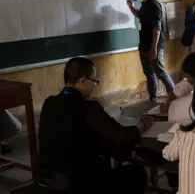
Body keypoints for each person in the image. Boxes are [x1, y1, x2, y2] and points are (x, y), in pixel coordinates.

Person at [35, 57, 151, 194]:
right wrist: (142, 126)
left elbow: (82, 138)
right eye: (94, 82)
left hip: (44, 185)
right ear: (83, 81)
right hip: (76, 186)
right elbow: (123, 136)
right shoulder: (87, 107)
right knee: (137, 174)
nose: (94, 86)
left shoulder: (49, 103)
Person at [127, 0, 174, 101]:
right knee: (148, 72)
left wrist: (154, 47)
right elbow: (139, 15)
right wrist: (130, 7)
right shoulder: (145, 4)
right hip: (144, 43)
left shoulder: (154, 5)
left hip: (154, 45)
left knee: (160, 72)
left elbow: (156, 28)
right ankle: (153, 96)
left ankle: (174, 96)